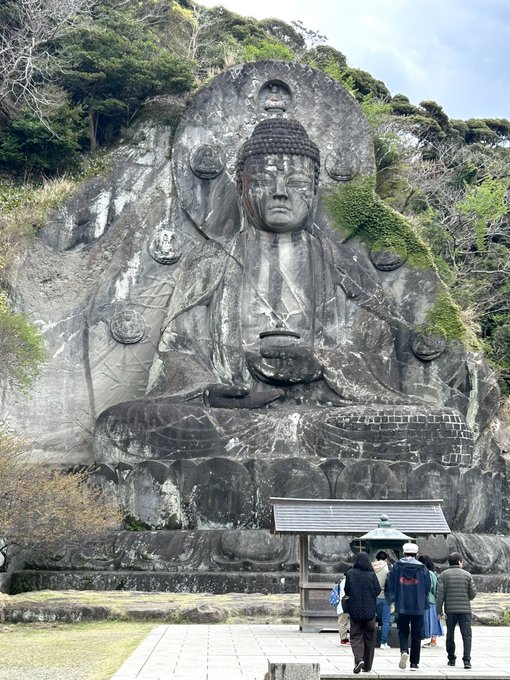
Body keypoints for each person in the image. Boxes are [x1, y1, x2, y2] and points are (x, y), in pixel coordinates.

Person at [386, 542, 431, 671]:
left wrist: (393, 600)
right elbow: (428, 586)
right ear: (416, 554)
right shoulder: (422, 568)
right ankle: (414, 663)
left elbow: (391, 584)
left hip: (402, 605)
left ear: (404, 553)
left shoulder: (397, 567)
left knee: (403, 631)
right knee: (417, 634)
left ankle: (404, 650)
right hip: (418, 605)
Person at [436, 551, 476, 669]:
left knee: (450, 634)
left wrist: (439, 611)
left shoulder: (443, 575)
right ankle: (467, 661)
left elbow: (440, 596)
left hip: (450, 611)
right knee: (466, 635)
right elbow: (473, 594)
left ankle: (451, 658)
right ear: (459, 562)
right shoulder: (467, 575)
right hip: (465, 611)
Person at [345, 551, 381, 674]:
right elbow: (377, 590)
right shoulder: (371, 574)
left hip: (355, 611)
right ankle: (368, 666)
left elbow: (347, 590)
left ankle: (359, 659)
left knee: (355, 636)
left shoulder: (350, 574)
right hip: (370, 611)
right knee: (370, 638)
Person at [418, 554, 442, 648]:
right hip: (431, 600)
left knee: (431, 621)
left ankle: (433, 642)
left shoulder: (426, 574)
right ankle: (433, 641)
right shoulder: (432, 574)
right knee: (433, 621)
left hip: (428, 600)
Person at [373, 550, 392, 649]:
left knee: (371, 619)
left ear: (376, 558)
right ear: (386, 559)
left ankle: (371, 640)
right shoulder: (388, 567)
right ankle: (383, 642)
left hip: (374, 597)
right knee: (386, 620)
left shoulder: (371, 566)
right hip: (385, 596)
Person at [337, 575, 350, 645]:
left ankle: (344, 638)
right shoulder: (346, 582)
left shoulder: (342, 581)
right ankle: (344, 639)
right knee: (343, 622)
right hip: (344, 604)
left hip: (342, 604)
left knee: (342, 622)